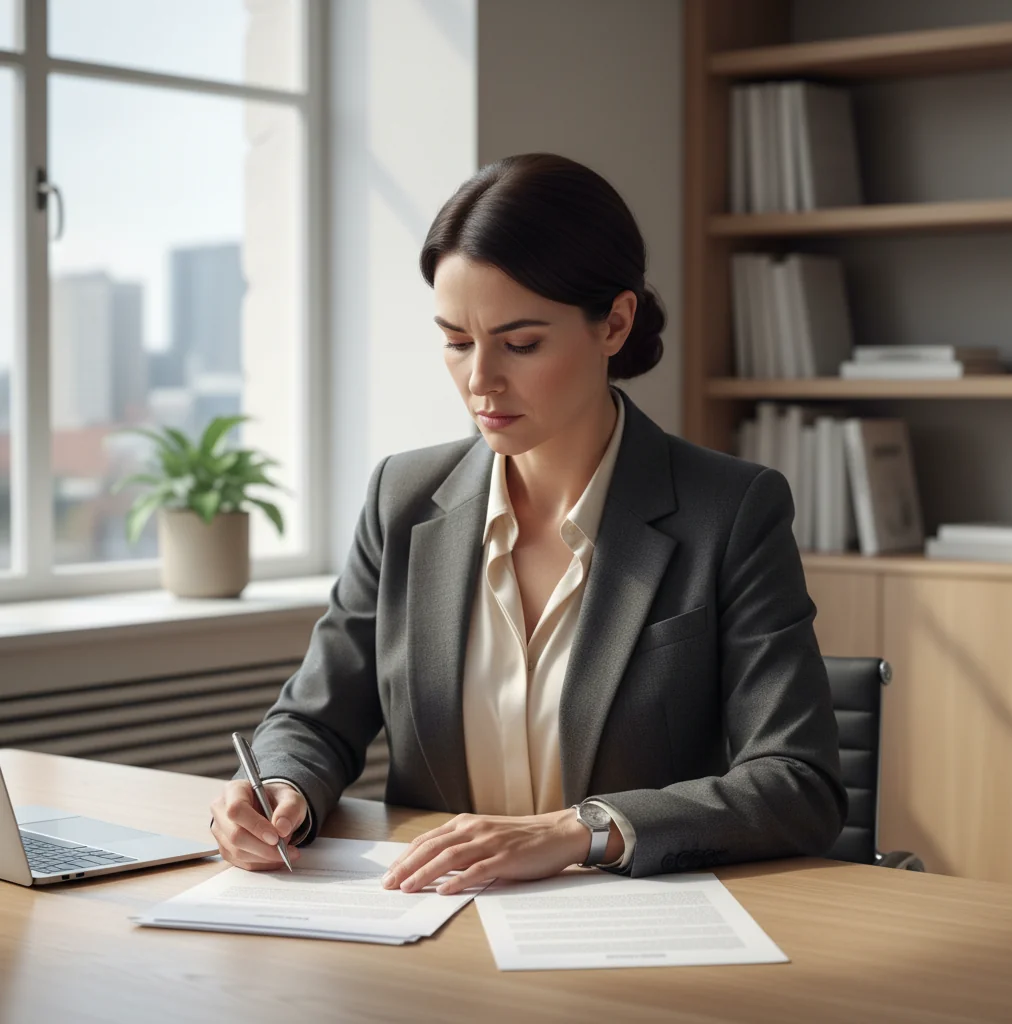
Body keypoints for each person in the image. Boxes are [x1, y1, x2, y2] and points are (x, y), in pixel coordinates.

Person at [209, 153, 846, 895]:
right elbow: (315, 719)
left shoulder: (731, 511)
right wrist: (277, 786)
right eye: (456, 340)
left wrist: (579, 830)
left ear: (614, 322)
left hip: (630, 932)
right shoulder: (403, 498)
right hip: (426, 921)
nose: (480, 380)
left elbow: (799, 781)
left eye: (520, 343)